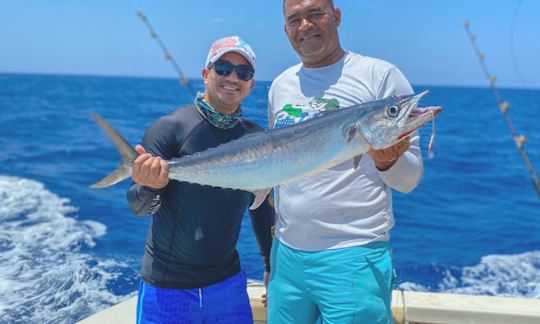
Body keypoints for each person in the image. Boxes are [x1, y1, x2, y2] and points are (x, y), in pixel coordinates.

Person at [267, 1, 423, 323]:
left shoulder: (380, 76)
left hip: (353, 255)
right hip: (286, 257)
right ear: (286, 30)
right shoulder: (280, 86)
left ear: (336, 17)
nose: (305, 25)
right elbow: (277, 170)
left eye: (315, 14)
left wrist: (387, 163)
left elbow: (410, 179)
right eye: (294, 19)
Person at [128, 36, 274, 323]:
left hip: (228, 287)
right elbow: (138, 206)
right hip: (167, 290)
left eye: (243, 73)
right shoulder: (170, 128)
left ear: (251, 85)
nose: (232, 77)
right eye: (223, 68)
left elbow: (261, 206)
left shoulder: (257, 139)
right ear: (206, 74)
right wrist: (149, 186)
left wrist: (270, 264)